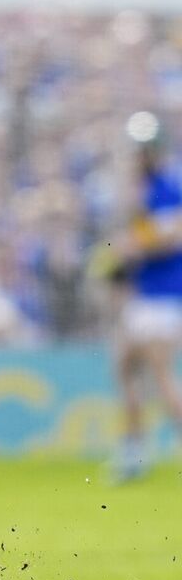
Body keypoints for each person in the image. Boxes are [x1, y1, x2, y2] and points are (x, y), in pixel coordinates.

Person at [103, 111, 182, 482]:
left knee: (162, 376)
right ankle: (134, 452)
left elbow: (172, 235)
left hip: (163, 297)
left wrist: (132, 245)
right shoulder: (145, 189)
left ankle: (135, 454)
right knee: (125, 366)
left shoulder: (166, 186)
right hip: (147, 296)